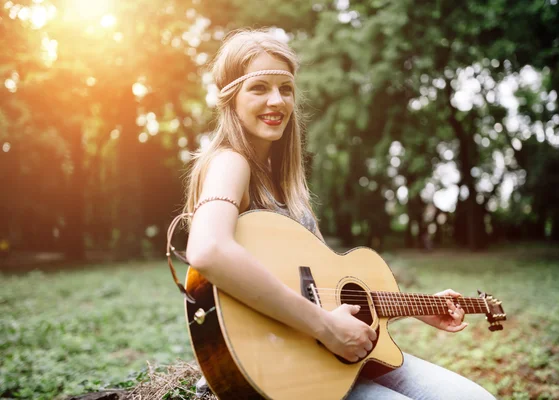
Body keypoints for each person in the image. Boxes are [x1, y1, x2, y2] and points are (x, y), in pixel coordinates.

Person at [182, 29, 495, 400]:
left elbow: (323, 291)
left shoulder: (287, 185)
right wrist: (326, 328)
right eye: (259, 87)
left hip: (334, 361)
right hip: (288, 371)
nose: (277, 100)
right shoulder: (230, 162)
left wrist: (414, 307)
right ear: (230, 98)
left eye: (286, 88)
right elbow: (207, 250)